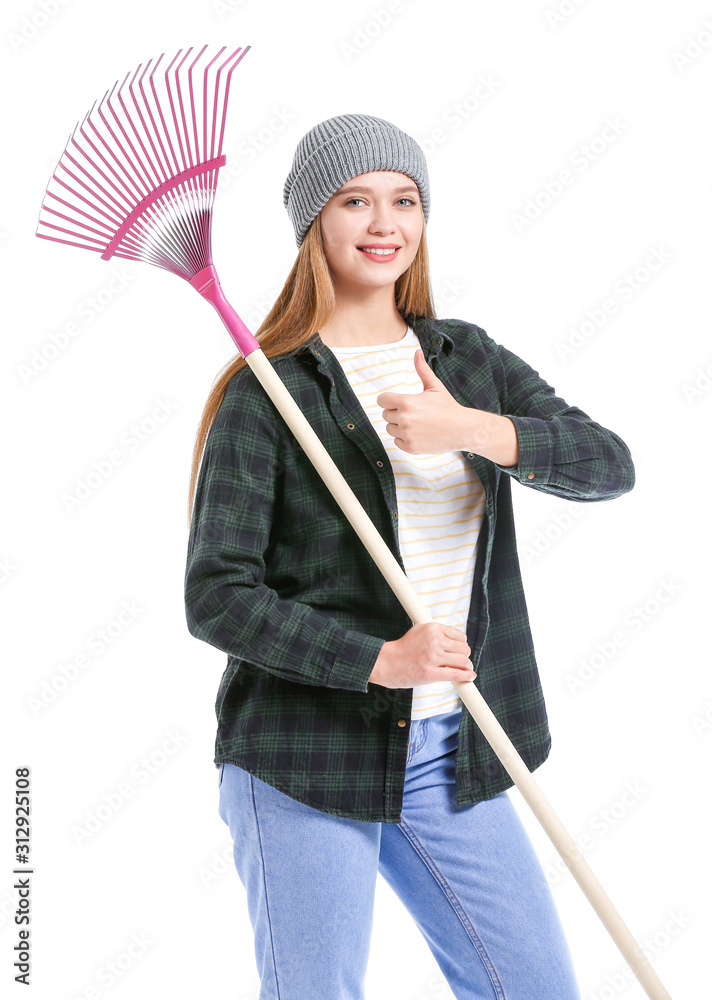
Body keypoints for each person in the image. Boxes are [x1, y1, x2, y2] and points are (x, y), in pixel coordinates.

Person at [184, 113, 635, 1000]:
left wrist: (466, 427)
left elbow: (609, 466)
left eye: (405, 199)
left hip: (453, 748)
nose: (384, 222)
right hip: (302, 755)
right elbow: (218, 595)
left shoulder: (467, 360)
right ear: (315, 221)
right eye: (355, 200)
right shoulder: (266, 390)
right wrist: (379, 659)